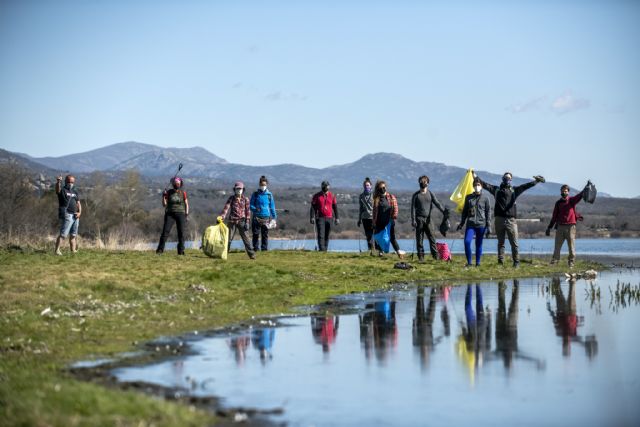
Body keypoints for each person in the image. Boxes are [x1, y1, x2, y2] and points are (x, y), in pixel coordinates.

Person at [478, 172, 545, 267]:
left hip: (511, 220)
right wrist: (474, 176)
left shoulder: (515, 190)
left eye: (509, 177)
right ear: (502, 178)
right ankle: (500, 262)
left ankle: (516, 262)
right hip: (499, 220)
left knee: (514, 243)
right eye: (505, 177)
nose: (507, 179)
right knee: (500, 243)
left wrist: (536, 181)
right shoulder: (496, 190)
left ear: (511, 180)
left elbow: (526, 186)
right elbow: (484, 184)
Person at [410, 175, 448, 262]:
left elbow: (437, 203)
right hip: (419, 220)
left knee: (432, 239)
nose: (423, 183)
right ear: (419, 183)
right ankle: (421, 258)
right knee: (419, 240)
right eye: (421, 182)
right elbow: (412, 209)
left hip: (429, 220)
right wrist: (413, 220)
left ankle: (436, 257)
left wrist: (444, 211)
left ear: (428, 183)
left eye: (424, 182)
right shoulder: (415, 195)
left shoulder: (430, 194)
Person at [546, 184, 584, 268]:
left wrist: (585, 189)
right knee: (557, 247)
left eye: (565, 191)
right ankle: (554, 262)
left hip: (571, 227)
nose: (564, 192)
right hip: (560, 227)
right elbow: (554, 216)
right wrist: (549, 227)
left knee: (571, 247)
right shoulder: (558, 203)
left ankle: (571, 263)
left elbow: (579, 196)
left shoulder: (571, 200)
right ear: (560, 192)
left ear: (568, 192)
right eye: (562, 191)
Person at [457, 178, 492, 267]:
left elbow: (488, 212)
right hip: (470, 224)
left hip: (481, 225)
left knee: (478, 244)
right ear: (473, 186)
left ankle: (478, 263)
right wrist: (461, 223)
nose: (477, 186)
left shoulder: (486, 198)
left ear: (481, 187)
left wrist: (489, 226)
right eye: (475, 185)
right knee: (467, 242)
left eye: (478, 185)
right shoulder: (468, 197)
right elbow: (464, 212)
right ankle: (469, 263)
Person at [219, 181, 255, 259]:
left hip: (242, 221)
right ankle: (224, 254)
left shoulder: (246, 199)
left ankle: (252, 255)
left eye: (240, 189)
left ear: (243, 190)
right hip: (232, 221)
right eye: (237, 189)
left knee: (246, 239)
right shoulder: (231, 198)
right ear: (234, 190)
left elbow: (248, 211)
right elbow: (226, 208)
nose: (239, 190)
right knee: (228, 239)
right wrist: (222, 216)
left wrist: (247, 222)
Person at [156, 176, 189, 255]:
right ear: (173, 183)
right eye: (175, 183)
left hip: (181, 213)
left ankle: (181, 251)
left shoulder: (183, 193)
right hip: (170, 214)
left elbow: (187, 204)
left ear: (180, 184)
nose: (176, 184)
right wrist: (163, 197)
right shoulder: (168, 192)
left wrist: (186, 214)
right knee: (165, 232)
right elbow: (164, 205)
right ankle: (160, 250)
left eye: (178, 183)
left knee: (181, 233)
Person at [372, 180, 404, 259]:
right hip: (379, 222)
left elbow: (396, 208)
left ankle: (399, 252)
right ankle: (380, 252)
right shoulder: (376, 199)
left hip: (389, 221)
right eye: (380, 188)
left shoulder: (391, 197)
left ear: (386, 187)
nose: (382, 189)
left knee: (392, 238)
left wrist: (393, 217)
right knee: (379, 237)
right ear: (378, 189)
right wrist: (374, 222)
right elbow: (374, 212)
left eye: (383, 187)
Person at [54, 174, 82, 255]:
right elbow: (57, 190)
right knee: (63, 234)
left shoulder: (75, 191)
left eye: (72, 182)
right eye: (69, 182)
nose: (71, 183)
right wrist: (58, 182)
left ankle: (73, 251)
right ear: (66, 182)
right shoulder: (63, 190)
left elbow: (78, 203)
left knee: (73, 234)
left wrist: (80, 212)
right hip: (67, 214)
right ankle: (57, 250)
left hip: (75, 215)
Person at [250, 176, 277, 251]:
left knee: (265, 235)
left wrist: (274, 217)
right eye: (262, 185)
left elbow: (272, 206)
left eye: (264, 185)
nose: (263, 186)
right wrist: (255, 209)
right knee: (255, 234)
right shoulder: (255, 194)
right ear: (259, 185)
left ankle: (264, 249)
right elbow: (251, 205)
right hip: (256, 218)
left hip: (266, 217)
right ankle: (255, 248)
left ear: (267, 185)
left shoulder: (269, 195)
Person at [310, 180, 339, 251]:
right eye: (324, 186)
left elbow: (335, 208)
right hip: (320, 218)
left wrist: (337, 218)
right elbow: (313, 207)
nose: (326, 187)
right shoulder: (316, 196)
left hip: (330, 218)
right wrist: (311, 217)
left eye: (327, 186)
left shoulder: (332, 196)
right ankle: (322, 250)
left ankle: (325, 250)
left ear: (329, 187)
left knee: (327, 235)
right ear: (322, 186)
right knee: (321, 235)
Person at [358, 177, 376, 252]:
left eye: (368, 185)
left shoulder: (374, 195)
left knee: (374, 234)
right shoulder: (361, 196)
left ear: (371, 186)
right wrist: (359, 219)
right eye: (365, 185)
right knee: (368, 234)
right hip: (365, 217)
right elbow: (361, 208)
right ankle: (370, 249)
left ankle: (377, 249)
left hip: (373, 217)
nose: (366, 187)